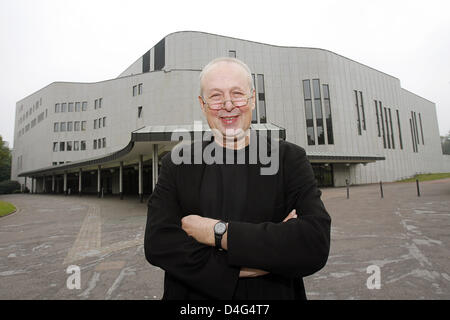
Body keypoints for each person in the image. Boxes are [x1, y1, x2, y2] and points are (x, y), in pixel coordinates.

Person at [144, 57, 331, 300]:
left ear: (252, 99)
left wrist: (216, 232)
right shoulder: (177, 163)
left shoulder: (289, 159)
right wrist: (253, 264)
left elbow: (313, 244)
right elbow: (160, 244)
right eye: (216, 96)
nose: (228, 105)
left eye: (237, 94)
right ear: (202, 104)